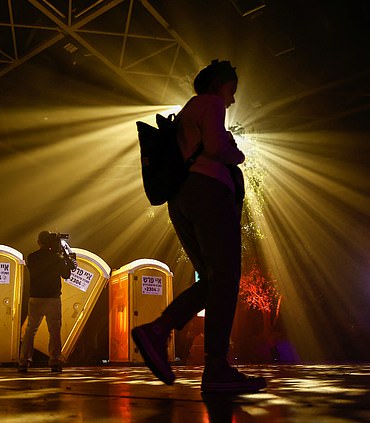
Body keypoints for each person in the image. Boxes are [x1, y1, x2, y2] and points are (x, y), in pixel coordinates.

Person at [131, 60, 267, 394]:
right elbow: (218, 148)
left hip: (183, 199)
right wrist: (238, 153)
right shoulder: (210, 103)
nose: (231, 101)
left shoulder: (189, 112)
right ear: (220, 85)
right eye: (231, 91)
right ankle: (215, 366)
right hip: (208, 192)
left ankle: (160, 332)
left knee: (213, 279)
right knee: (226, 275)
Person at [18, 231, 76, 373]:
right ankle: (54, 362)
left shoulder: (32, 257)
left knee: (30, 331)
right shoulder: (56, 257)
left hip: (35, 298)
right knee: (54, 331)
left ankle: (24, 362)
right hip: (53, 299)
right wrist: (65, 257)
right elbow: (67, 274)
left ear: (39, 242)